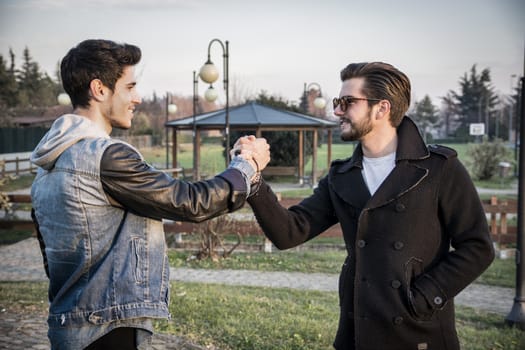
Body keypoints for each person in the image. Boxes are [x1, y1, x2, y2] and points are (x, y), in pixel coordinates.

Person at [30, 39, 270, 350]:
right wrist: (246, 165)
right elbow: (190, 202)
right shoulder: (105, 156)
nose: (138, 98)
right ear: (99, 89)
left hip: (70, 325)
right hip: (105, 329)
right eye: (129, 87)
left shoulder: (48, 161)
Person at [240, 62, 495, 350]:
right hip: (357, 333)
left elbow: (478, 247)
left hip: (420, 333)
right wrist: (254, 178)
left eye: (346, 102)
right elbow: (289, 232)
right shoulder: (341, 176)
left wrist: (425, 297)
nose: (336, 111)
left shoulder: (438, 169)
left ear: (382, 108)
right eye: (337, 102)